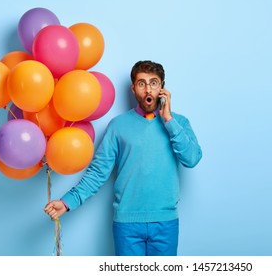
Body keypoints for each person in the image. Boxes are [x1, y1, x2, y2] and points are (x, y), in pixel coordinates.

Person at [44, 60, 202, 256]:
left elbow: (192, 158)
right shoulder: (118, 126)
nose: (148, 90)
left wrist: (168, 120)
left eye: (154, 83)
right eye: (142, 83)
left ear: (162, 88)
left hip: (165, 222)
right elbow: (98, 173)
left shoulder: (179, 123)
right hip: (126, 225)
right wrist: (68, 202)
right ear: (133, 88)